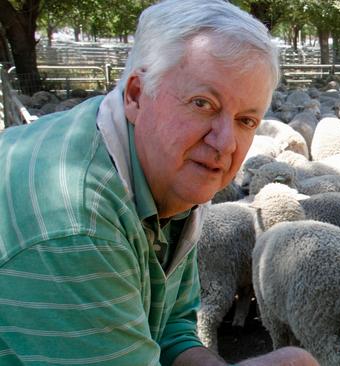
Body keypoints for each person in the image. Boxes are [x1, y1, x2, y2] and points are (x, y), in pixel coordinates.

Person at [0, 1, 318, 365]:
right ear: (136, 94)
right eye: (202, 103)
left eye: (246, 120)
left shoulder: (167, 181)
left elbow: (167, 328)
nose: (225, 143)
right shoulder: (77, 224)